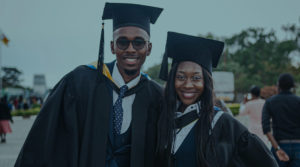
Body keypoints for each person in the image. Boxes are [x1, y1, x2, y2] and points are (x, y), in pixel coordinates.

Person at [15, 3, 163, 167]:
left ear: (148, 48)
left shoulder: (157, 96)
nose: (130, 49)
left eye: (138, 42)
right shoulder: (79, 83)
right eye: (122, 42)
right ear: (112, 47)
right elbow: (47, 140)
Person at [156, 32, 278, 167]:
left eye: (196, 78)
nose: (188, 85)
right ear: (172, 79)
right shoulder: (164, 118)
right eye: (181, 77)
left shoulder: (223, 123)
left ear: (206, 82)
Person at [262, 73, 300, 167]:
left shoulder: (270, 102)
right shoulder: (298, 101)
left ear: (278, 85)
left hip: (280, 145)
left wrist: (277, 148)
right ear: (292, 86)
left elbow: (266, 128)